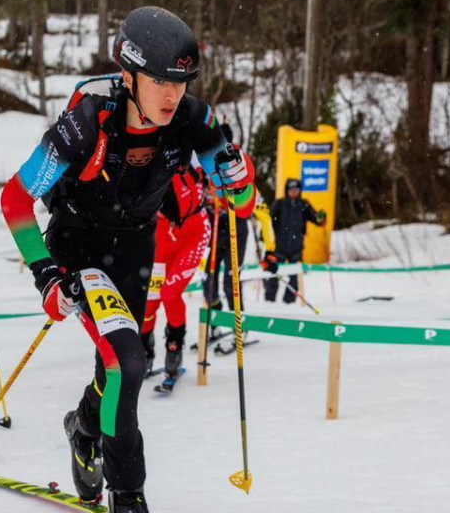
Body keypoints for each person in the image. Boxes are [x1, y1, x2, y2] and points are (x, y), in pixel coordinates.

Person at [0, 6, 255, 513]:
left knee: (118, 368)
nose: (171, 94)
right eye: (161, 80)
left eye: (181, 81)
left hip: (135, 249)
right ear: (130, 74)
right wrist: (46, 275)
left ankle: (82, 430)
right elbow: (15, 202)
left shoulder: (192, 119)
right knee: (128, 364)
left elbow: (241, 198)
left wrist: (240, 182)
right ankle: (129, 501)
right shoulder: (87, 123)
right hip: (80, 249)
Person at [139, 165, 211, 384]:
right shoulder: (147, 154)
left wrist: (224, 150)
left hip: (193, 233)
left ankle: (174, 344)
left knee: (170, 293)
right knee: (150, 298)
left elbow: (218, 149)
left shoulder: (190, 153)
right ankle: (144, 346)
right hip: (162, 234)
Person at [205, 125, 255, 311]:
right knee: (208, 280)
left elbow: (252, 201)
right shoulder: (204, 165)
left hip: (237, 227)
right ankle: (216, 320)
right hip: (217, 228)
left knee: (230, 280)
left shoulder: (235, 161)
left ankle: (238, 323)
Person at [264, 178, 326, 304]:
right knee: (274, 275)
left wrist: (321, 218)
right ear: (287, 191)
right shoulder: (279, 204)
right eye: (291, 190)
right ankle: (268, 301)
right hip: (279, 247)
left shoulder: (304, 205)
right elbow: (268, 222)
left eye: (296, 190)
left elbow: (317, 220)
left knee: (294, 279)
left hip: (296, 248)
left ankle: (289, 303)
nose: (293, 192)